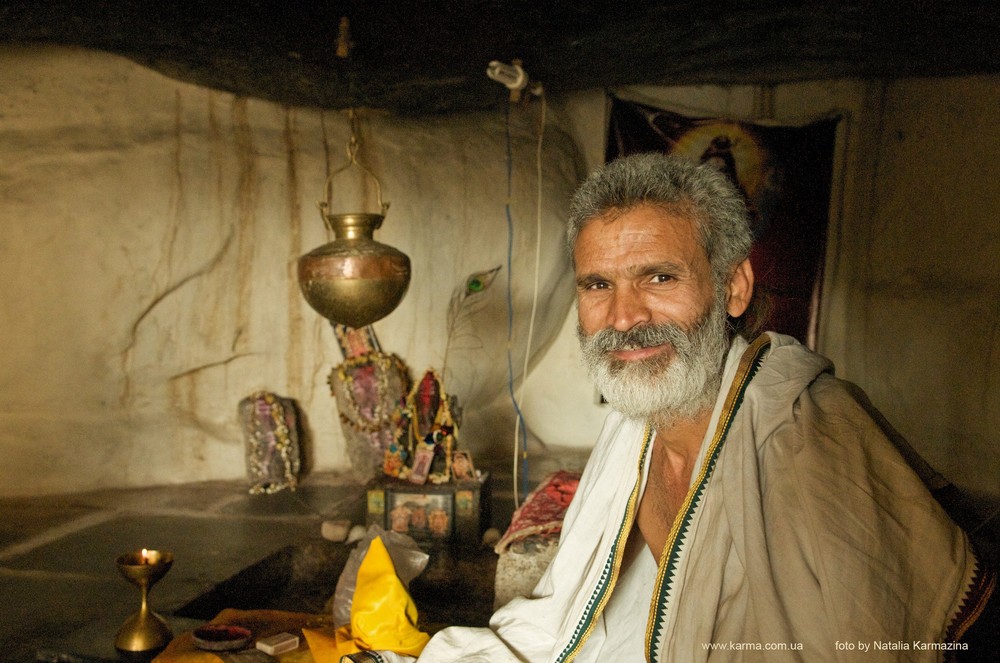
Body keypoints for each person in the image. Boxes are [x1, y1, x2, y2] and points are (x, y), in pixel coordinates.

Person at [358, 153, 995, 662]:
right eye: (597, 285)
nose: (624, 318)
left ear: (734, 288)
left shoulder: (806, 432)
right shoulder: (631, 432)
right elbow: (572, 625)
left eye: (659, 278)